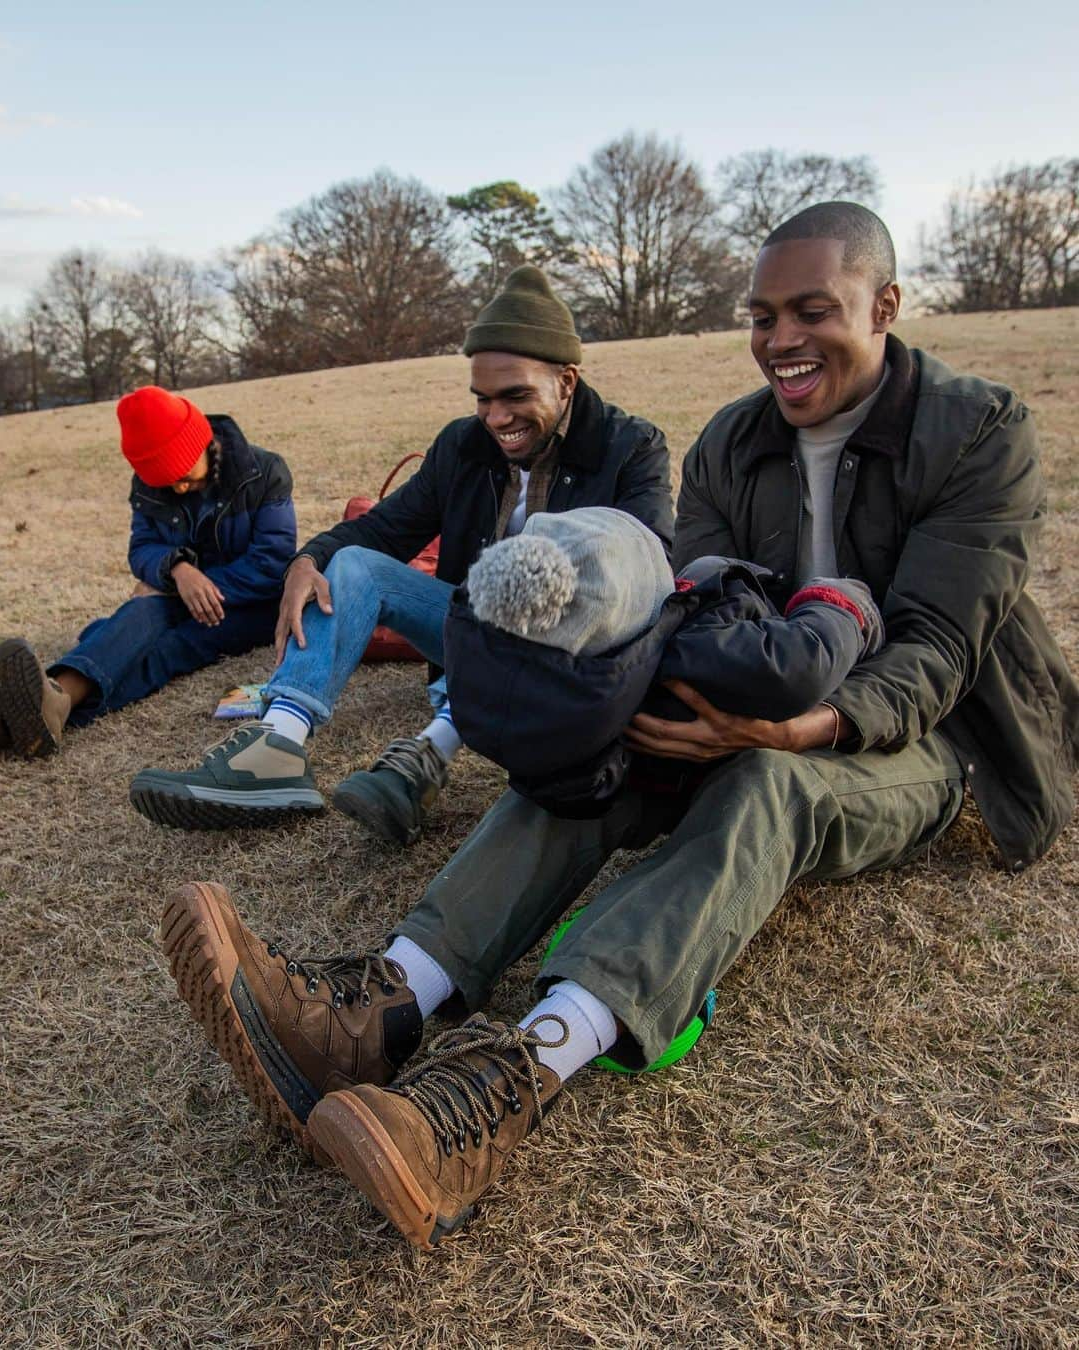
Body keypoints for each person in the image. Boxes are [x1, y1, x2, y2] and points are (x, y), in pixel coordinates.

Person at [159, 203, 1078, 1251]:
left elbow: (936, 653)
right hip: (770, 681)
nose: (781, 339)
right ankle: (379, 1009)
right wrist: (646, 701)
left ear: (887, 306)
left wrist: (790, 731)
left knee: (769, 787)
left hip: (925, 736)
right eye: (763, 314)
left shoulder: (980, 431)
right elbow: (697, 604)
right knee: (615, 736)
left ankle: (508, 1082)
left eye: (813, 311)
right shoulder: (736, 438)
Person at [130, 265, 673, 839]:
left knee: (526, 605)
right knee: (356, 565)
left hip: (569, 653)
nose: (495, 418)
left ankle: (426, 757)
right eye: (483, 399)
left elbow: (647, 573)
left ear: (566, 381)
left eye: (515, 396)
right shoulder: (463, 445)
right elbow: (383, 531)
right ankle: (276, 748)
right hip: (467, 628)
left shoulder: (630, 446)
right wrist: (306, 562)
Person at [444, 505, 882, 815]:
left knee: (709, 565)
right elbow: (803, 662)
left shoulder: (523, 688)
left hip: (645, 757)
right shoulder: (700, 654)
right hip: (769, 708)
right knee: (713, 567)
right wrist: (841, 599)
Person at [0, 387, 294, 759]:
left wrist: (189, 586)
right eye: (166, 481)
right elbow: (141, 549)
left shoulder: (265, 472)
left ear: (201, 443)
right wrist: (177, 569)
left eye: (184, 475)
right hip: (177, 596)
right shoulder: (151, 487)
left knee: (164, 644)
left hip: (253, 606)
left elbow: (273, 563)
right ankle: (50, 707)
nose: (179, 487)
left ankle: (28, 715)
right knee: (141, 614)